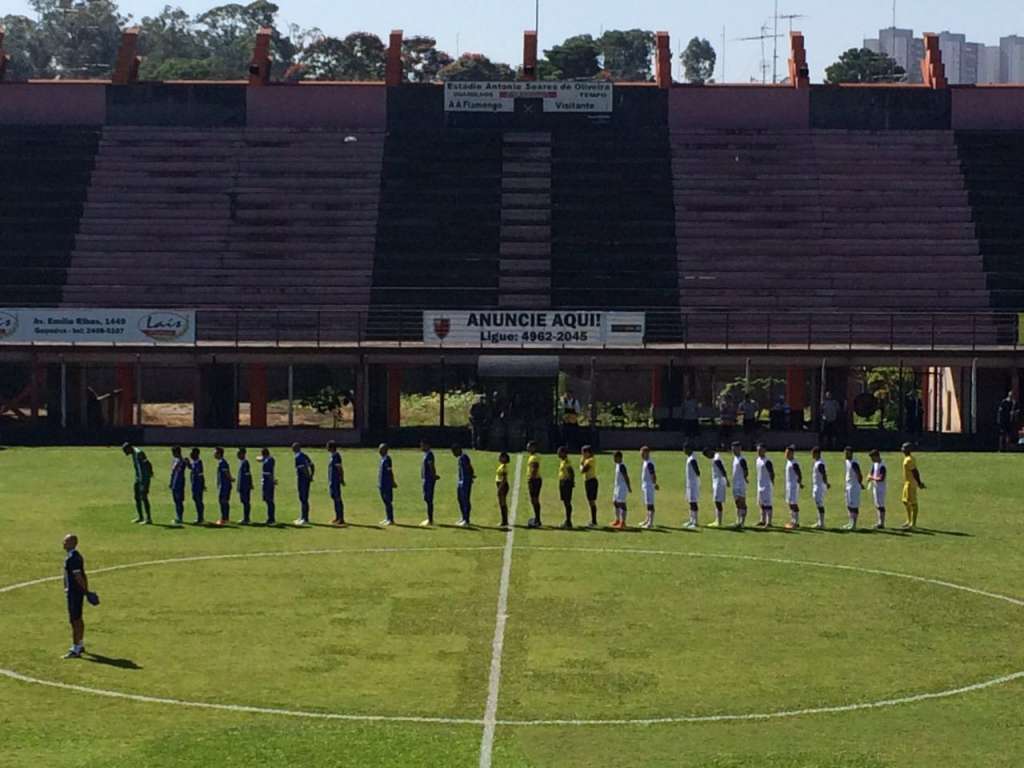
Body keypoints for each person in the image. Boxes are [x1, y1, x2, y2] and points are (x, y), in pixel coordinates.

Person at [62, 534, 98, 659]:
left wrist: (86, 592)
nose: (63, 543)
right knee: (78, 618)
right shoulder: (75, 557)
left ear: (73, 543)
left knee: (75, 620)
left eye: (66, 541)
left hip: (74, 593)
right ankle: (80, 644)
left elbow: (79, 577)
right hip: (76, 592)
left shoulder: (73, 559)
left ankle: (75, 648)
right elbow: (83, 575)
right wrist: (86, 591)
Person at [122, 442, 152, 524]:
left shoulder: (139, 453)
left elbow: (147, 462)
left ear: (129, 448)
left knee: (144, 497)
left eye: (125, 451)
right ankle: (140, 517)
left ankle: (148, 518)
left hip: (144, 479)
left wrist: (150, 472)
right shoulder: (133, 453)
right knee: (137, 497)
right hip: (138, 478)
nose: (125, 453)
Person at [900, 442, 926, 530]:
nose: (902, 450)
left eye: (904, 448)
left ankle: (913, 523)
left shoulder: (909, 460)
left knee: (913, 503)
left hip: (911, 483)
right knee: (905, 501)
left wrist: (919, 483)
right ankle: (908, 520)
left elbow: (915, 472)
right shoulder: (907, 458)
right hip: (907, 483)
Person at [703, 447, 728, 528]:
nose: (708, 457)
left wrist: (726, 479)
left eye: (707, 455)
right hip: (717, 481)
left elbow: (722, 469)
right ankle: (717, 520)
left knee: (717, 501)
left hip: (719, 482)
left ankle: (719, 521)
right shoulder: (716, 457)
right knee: (716, 501)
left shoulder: (716, 459)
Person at [842, 446, 865, 531]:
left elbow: (859, 475)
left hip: (854, 487)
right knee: (848, 505)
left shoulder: (854, 463)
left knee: (854, 505)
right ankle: (850, 522)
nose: (845, 455)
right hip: (848, 485)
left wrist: (860, 484)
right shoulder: (847, 461)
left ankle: (854, 524)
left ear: (851, 453)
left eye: (847, 453)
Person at [292, 443, 315, 527]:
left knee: (303, 498)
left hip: (302, 480)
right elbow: (312, 465)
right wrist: (312, 475)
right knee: (304, 498)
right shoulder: (305, 455)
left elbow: (303, 468)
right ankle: (302, 516)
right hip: (306, 479)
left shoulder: (298, 457)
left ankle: (305, 518)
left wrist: (308, 477)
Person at [453, 444, 475, 527]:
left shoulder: (464, 457)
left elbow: (469, 467)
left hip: (465, 482)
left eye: (454, 452)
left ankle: (467, 519)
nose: (454, 454)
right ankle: (463, 517)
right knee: (460, 499)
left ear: (458, 449)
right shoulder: (461, 458)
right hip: (461, 481)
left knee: (465, 500)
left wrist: (471, 476)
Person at [638, 446, 659, 529]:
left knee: (650, 504)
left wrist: (654, 484)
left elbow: (653, 475)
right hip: (645, 485)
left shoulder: (649, 463)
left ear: (647, 453)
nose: (641, 455)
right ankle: (647, 519)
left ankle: (650, 522)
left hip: (649, 486)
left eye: (642, 453)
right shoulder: (645, 462)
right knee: (647, 504)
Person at [810, 446, 830, 529]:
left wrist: (826, 483)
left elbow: (823, 474)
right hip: (816, 485)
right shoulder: (817, 462)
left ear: (817, 453)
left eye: (813, 454)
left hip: (819, 486)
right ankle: (819, 522)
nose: (812, 455)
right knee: (818, 504)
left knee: (820, 504)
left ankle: (822, 523)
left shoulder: (820, 463)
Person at [783, 445, 803, 530]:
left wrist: (799, 482)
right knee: (790, 503)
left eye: (788, 453)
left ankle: (796, 522)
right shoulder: (788, 462)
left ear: (792, 453)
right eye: (786, 452)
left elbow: (799, 473)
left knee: (793, 503)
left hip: (793, 486)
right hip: (788, 485)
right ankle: (792, 520)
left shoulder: (794, 463)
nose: (786, 454)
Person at [610, 450, 631, 529]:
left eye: (615, 458)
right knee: (615, 502)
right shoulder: (617, 465)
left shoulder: (622, 466)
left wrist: (628, 487)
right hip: (617, 486)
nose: (614, 459)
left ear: (619, 457)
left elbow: (626, 477)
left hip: (622, 487)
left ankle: (623, 522)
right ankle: (617, 519)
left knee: (622, 503)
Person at [755, 444, 775, 528]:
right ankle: (762, 520)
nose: (759, 452)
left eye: (761, 450)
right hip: (760, 484)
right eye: (758, 450)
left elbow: (772, 472)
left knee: (768, 504)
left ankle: (769, 522)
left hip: (766, 485)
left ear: (765, 450)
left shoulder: (767, 461)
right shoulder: (758, 460)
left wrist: (771, 482)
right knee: (761, 503)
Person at [326, 440, 346, 526]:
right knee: (334, 498)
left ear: (331, 447)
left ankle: (341, 518)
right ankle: (337, 517)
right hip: (332, 480)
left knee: (337, 499)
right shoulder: (332, 456)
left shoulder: (336, 456)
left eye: (327, 446)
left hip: (335, 481)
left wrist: (341, 479)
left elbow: (340, 468)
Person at [867, 449, 887, 530]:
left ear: (876, 456)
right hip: (875, 487)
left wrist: (872, 478)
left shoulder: (882, 466)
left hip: (881, 488)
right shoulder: (874, 464)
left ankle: (882, 522)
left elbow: (881, 478)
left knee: (881, 505)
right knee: (877, 504)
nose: (872, 460)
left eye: (873, 458)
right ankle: (879, 522)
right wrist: (869, 476)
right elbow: (871, 472)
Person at [420, 440, 438, 527]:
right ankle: (429, 518)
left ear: (427, 445)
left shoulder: (430, 455)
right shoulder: (426, 454)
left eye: (422, 445)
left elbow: (431, 466)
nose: (421, 447)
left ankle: (430, 520)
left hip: (429, 480)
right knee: (426, 498)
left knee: (429, 499)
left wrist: (433, 475)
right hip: (426, 479)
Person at [378, 443, 397, 526]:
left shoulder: (387, 459)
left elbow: (390, 472)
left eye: (381, 449)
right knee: (385, 501)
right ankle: (387, 518)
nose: (379, 451)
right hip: (381, 483)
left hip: (386, 484)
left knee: (388, 501)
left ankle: (391, 519)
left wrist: (392, 481)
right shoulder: (382, 459)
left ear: (385, 450)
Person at [556, 445, 575, 529]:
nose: (558, 454)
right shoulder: (563, 461)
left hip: (566, 483)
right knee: (565, 502)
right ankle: (567, 521)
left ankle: (568, 521)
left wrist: (571, 482)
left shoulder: (567, 462)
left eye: (559, 452)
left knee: (567, 502)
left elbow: (571, 472)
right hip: (563, 482)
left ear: (564, 453)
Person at [580, 445, 599, 528]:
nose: (582, 454)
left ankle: (594, 521)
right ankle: (593, 520)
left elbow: (583, 470)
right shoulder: (588, 460)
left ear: (588, 452)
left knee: (591, 501)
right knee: (591, 501)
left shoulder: (590, 460)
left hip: (591, 481)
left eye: (583, 453)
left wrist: (581, 464)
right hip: (588, 481)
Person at [213, 447, 233, 526]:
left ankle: (224, 519)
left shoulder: (222, 462)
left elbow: (226, 473)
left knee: (223, 501)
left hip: (224, 485)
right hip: (224, 485)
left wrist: (230, 478)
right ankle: (225, 518)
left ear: (219, 453)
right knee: (224, 501)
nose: (214, 454)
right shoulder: (222, 462)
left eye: (215, 453)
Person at [731, 442, 749, 529]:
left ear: (739, 448)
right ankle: (737, 520)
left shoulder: (742, 459)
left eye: (735, 448)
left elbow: (746, 470)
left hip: (740, 484)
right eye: (732, 448)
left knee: (742, 502)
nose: (733, 450)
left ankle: (742, 521)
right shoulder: (735, 458)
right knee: (737, 502)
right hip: (735, 483)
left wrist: (745, 478)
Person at [526, 441, 543, 529]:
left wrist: (531, 478)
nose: (527, 448)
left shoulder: (534, 458)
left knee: (535, 499)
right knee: (534, 500)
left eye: (529, 447)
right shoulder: (532, 457)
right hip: (535, 480)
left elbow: (534, 468)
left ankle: (537, 520)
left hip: (534, 480)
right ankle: (537, 518)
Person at [683, 443, 700, 529]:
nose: (684, 451)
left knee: (693, 502)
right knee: (690, 502)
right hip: (689, 483)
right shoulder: (689, 458)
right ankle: (691, 520)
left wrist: (694, 480)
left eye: (685, 449)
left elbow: (697, 472)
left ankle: (695, 521)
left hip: (693, 484)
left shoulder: (692, 459)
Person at [169, 446, 186, 527]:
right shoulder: (177, 460)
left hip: (179, 483)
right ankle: (178, 516)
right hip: (176, 482)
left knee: (178, 500)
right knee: (176, 501)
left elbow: (173, 471)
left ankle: (180, 518)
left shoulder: (181, 461)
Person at [258, 447, 276, 525]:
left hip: (267, 483)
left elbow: (269, 474)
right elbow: (259, 459)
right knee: (268, 500)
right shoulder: (269, 460)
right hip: (268, 482)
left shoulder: (268, 461)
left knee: (269, 500)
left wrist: (272, 481)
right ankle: (270, 518)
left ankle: (271, 518)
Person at [189, 448, 205, 525]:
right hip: (194, 484)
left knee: (198, 501)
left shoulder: (198, 462)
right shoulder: (194, 462)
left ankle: (200, 517)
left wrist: (202, 485)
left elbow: (200, 475)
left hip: (197, 485)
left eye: (192, 453)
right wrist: (188, 463)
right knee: (196, 500)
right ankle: (199, 517)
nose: (190, 454)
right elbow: (191, 469)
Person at [237, 448, 253, 524]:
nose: (237, 455)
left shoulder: (245, 463)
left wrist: (248, 485)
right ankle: (245, 518)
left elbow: (248, 475)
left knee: (246, 502)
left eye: (239, 453)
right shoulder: (242, 462)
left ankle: (246, 518)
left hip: (245, 486)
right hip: (242, 486)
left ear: (243, 454)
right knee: (244, 502)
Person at [495, 452, 511, 529]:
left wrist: (500, 488)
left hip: (502, 486)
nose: (499, 458)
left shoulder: (504, 467)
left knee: (502, 503)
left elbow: (504, 479)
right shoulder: (502, 466)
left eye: (501, 457)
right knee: (501, 503)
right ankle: (504, 520)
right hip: (501, 485)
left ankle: (504, 521)